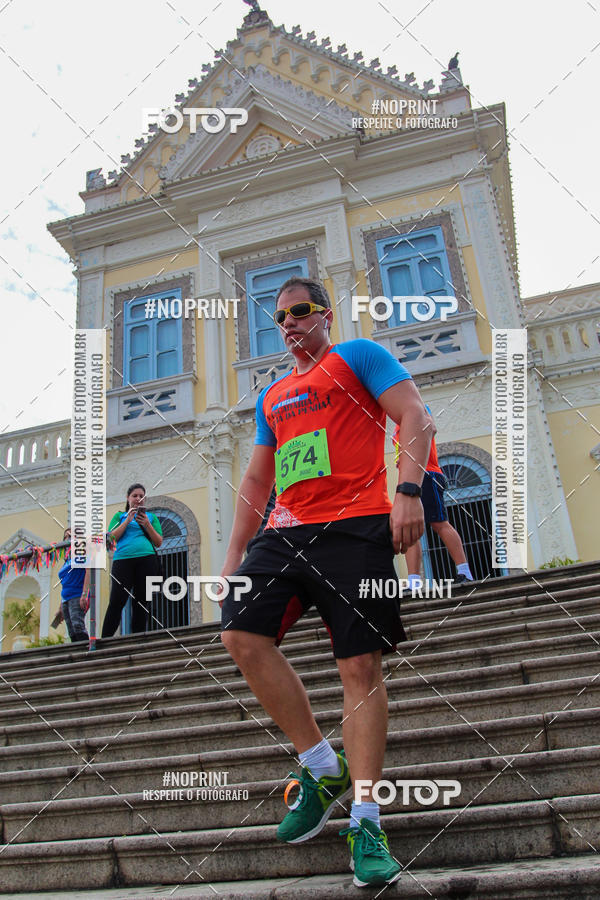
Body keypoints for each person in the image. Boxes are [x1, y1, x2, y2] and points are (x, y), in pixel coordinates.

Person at [220, 276, 432, 887]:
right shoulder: (273, 394)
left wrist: (409, 491)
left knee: (358, 669)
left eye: (300, 312)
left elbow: (415, 415)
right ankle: (321, 763)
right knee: (241, 636)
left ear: (326, 315)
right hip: (285, 531)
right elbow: (257, 484)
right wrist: (234, 558)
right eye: (279, 318)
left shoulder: (357, 356)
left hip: (357, 527)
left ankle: (366, 821)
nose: (288, 324)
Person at [393, 411, 474, 588]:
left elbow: (432, 428)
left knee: (439, 523)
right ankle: (414, 581)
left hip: (427, 473)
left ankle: (464, 571)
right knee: (409, 528)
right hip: (408, 478)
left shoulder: (416, 407)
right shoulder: (398, 425)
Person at [101, 483, 163, 638]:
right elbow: (111, 538)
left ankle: (138, 639)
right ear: (128, 499)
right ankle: (106, 639)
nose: (138, 499)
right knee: (117, 600)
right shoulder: (119, 516)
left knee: (142, 601)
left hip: (147, 560)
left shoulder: (151, 517)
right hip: (123, 560)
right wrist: (127, 520)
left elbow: (158, 542)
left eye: (141, 496)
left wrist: (147, 524)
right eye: (134, 496)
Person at [58, 527, 90, 643]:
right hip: (66, 598)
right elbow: (64, 583)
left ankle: (86, 651)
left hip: (77, 594)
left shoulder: (82, 553)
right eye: (66, 537)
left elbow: (88, 572)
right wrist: (60, 605)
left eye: (70, 536)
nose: (68, 539)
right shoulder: (66, 560)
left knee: (77, 624)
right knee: (71, 629)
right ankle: (77, 653)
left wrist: (84, 594)